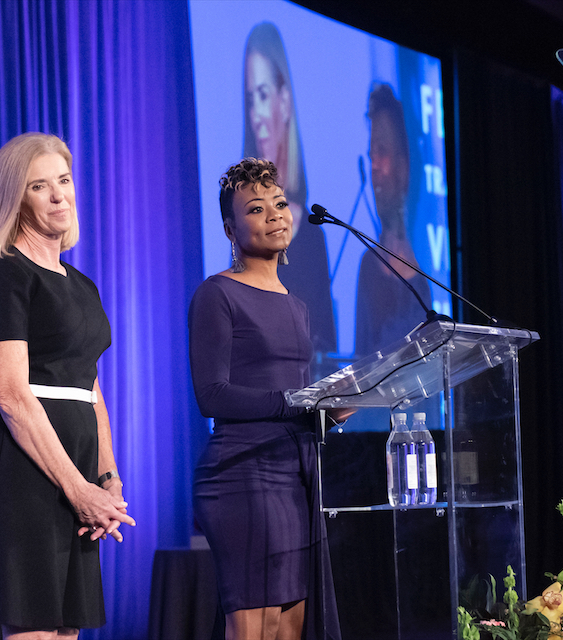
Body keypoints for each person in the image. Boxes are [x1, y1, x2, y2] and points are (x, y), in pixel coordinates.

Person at [0, 132, 135, 639]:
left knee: (68, 629)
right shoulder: (5, 274)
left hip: (78, 472)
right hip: (26, 471)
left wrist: (107, 476)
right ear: (15, 199)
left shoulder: (82, 282)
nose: (59, 195)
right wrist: (77, 488)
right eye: (39, 186)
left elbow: (90, 388)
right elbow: (10, 395)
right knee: (35, 627)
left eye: (65, 181)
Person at [190, 158, 345, 640]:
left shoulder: (296, 304)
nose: (276, 214)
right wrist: (297, 402)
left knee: (289, 627)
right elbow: (210, 395)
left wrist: (332, 410)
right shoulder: (217, 294)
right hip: (241, 474)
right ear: (230, 229)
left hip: (294, 476)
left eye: (279, 203)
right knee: (256, 626)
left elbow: (295, 401)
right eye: (256, 209)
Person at [243, 22, 337, 357]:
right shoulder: (245, 231)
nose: (257, 114)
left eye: (264, 96)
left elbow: (329, 347)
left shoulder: (312, 232)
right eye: (251, 100)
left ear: (285, 100)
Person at [354, 83, 432, 358]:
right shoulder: (368, 268)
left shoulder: (427, 274)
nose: (374, 164)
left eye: (382, 151)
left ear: (404, 164)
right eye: (371, 152)